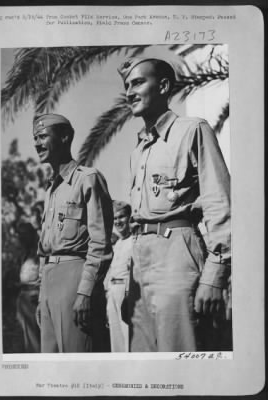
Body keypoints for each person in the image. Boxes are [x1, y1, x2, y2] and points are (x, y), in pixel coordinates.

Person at [117, 57, 231, 352]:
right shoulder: (137, 151)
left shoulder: (192, 130)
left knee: (180, 357)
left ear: (164, 86)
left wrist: (215, 274)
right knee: (143, 364)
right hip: (140, 262)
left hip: (178, 255)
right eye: (127, 85)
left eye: (138, 82)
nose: (130, 91)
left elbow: (220, 202)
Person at [33, 113, 113, 353]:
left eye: (43, 136)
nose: (37, 143)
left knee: (79, 360)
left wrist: (85, 292)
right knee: (50, 367)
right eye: (35, 137)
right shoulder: (51, 190)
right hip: (48, 282)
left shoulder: (87, 179)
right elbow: (45, 246)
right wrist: (41, 296)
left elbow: (100, 243)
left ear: (65, 137)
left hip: (74, 279)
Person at [104, 201, 132, 352]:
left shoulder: (135, 241)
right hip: (112, 292)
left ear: (129, 218)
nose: (117, 222)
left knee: (128, 337)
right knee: (116, 342)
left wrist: (128, 293)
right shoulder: (118, 243)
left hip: (126, 292)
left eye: (121, 217)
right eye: (114, 219)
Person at [16, 222, 41, 353]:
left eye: (24, 235)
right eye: (19, 235)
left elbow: (46, 277)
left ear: (31, 235)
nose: (20, 238)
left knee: (36, 337)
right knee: (26, 336)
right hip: (23, 297)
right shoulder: (25, 254)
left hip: (34, 298)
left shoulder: (40, 253)